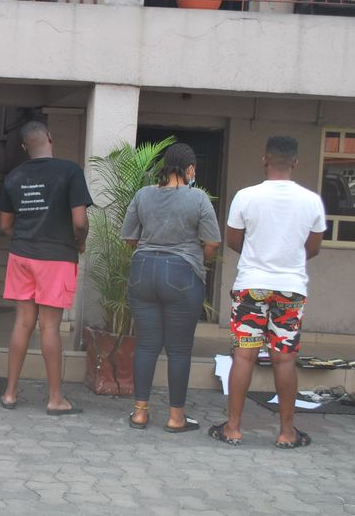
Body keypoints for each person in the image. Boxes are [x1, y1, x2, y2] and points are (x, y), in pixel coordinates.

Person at [210, 136, 325, 449]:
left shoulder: (246, 197)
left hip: (251, 286)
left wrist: (258, 257)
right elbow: (314, 247)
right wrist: (288, 260)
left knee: (243, 355)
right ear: (295, 162)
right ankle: (287, 433)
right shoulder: (312, 201)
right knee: (284, 360)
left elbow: (234, 240)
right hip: (291, 289)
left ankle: (233, 428)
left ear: (264, 160)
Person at [120, 143, 221, 432]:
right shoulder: (198, 198)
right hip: (181, 272)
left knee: (146, 344)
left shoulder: (143, 194)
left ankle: (140, 413)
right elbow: (212, 242)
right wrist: (199, 260)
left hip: (143, 270)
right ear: (190, 170)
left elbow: (129, 236)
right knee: (179, 349)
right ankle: (176, 417)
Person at [0, 121, 92, 415]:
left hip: (21, 256)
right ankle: (55, 399)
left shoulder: (14, 177)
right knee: (49, 326)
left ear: (24, 147)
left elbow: (5, 224)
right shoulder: (70, 171)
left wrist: (25, 238)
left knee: (22, 323)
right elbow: (80, 222)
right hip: (56, 257)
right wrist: (79, 243)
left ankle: (10, 393)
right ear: (50, 138)